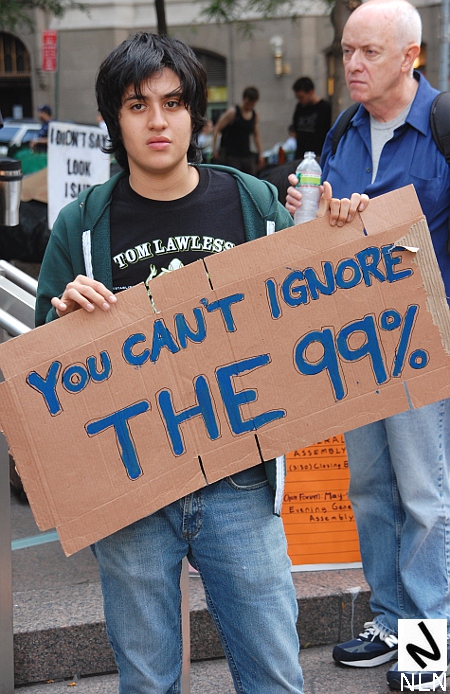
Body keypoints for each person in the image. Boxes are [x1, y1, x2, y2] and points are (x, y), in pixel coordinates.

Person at [35, 32, 366, 694]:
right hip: (131, 490)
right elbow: (37, 372)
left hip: (239, 481)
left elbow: (307, 305)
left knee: (274, 674)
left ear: (194, 112)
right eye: (138, 105)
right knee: (148, 680)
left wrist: (347, 234)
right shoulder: (82, 225)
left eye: (173, 102)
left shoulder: (252, 203)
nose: (158, 121)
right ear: (113, 119)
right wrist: (62, 319)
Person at [287, 1, 450, 691]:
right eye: (347, 50)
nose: (351, 65)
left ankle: (428, 648)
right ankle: (390, 620)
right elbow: (319, 242)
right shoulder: (343, 132)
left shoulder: (442, 124)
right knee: (372, 490)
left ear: (411, 56)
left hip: (424, 342)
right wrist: (316, 215)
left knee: (425, 497)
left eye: (369, 52)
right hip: (356, 344)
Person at [212, 86, 264, 175]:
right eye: (248, 103)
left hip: (245, 153)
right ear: (244, 99)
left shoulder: (254, 115)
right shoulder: (233, 112)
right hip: (231, 154)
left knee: (250, 175)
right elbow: (217, 128)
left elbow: (256, 135)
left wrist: (260, 153)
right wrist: (214, 149)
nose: (249, 106)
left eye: (252, 104)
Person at [290, 77, 331, 160]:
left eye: (302, 97)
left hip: (318, 155)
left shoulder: (325, 108)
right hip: (300, 155)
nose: (299, 100)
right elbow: (295, 126)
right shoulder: (300, 107)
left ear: (311, 92)